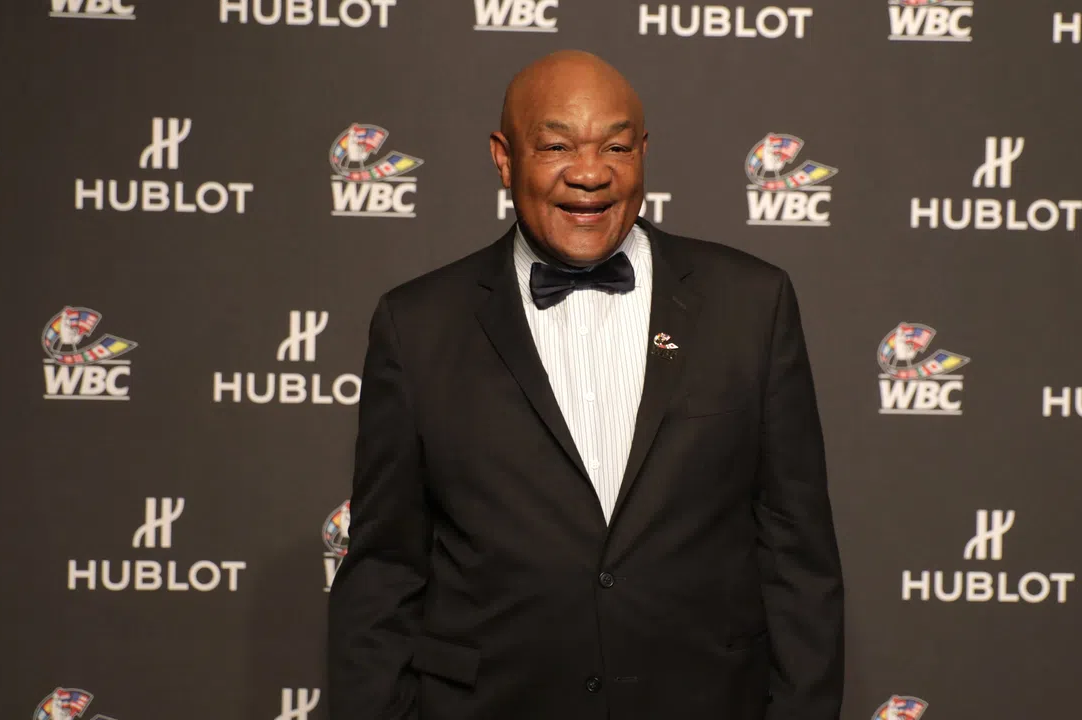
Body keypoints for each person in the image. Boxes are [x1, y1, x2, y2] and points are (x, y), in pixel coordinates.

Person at [328, 50, 844, 720]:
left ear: (644, 153)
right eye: (556, 146)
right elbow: (384, 573)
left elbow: (798, 559)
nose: (591, 173)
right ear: (504, 158)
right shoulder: (417, 325)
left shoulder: (751, 304)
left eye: (616, 147)